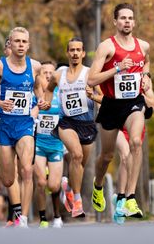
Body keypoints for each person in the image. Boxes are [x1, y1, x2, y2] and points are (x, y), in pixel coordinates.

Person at [88, 3, 152, 218]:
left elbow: (146, 65)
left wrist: (146, 79)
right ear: (115, 21)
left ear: (134, 22)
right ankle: (98, 187)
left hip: (133, 103)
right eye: (123, 18)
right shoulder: (107, 47)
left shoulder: (143, 46)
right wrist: (117, 68)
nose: (127, 21)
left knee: (136, 142)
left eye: (130, 18)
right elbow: (91, 79)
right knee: (107, 156)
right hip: (110, 104)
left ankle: (130, 198)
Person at [0, 27, 46, 228]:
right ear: (10, 42)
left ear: (29, 44)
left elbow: (39, 90)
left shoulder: (35, 66)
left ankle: (23, 218)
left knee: (27, 170)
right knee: (8, 180)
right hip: (5, 126)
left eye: (24, 42)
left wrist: (42, 102)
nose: (20, 45)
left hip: (25, 124)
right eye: (16, 41)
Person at [45, 37, 101, 218]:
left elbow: (102, 98)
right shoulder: (58, 74)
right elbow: (48, 88)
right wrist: (46, 102)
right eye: (72, 50)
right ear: (68, 53)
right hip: (66, 123)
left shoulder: (90, 73)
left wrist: (93, 96)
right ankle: (77, 201)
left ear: (83, 53)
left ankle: (68, 188)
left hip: (86, 124)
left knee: (80, 165)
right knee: (76, 155)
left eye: (78, 50)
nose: (75, 53)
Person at [113, 87, 154, 224]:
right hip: (117, 124)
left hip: (135, 125)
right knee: (125, 156)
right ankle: (121, 199)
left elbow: (153, 106)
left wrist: (142, 96)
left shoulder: (143, 79)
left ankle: (124, 198)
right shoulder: (113, 72)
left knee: (129, 158)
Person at [34, 61, 64, 228]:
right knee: (40, 183)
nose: (47, 74)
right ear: (39, 76)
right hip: (38, 143)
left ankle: (58, 216)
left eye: (50, 72)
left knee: (53, 185)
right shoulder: (34, 94)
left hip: (56, 145)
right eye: (43, 72)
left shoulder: (60, 93)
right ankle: (43, 218)